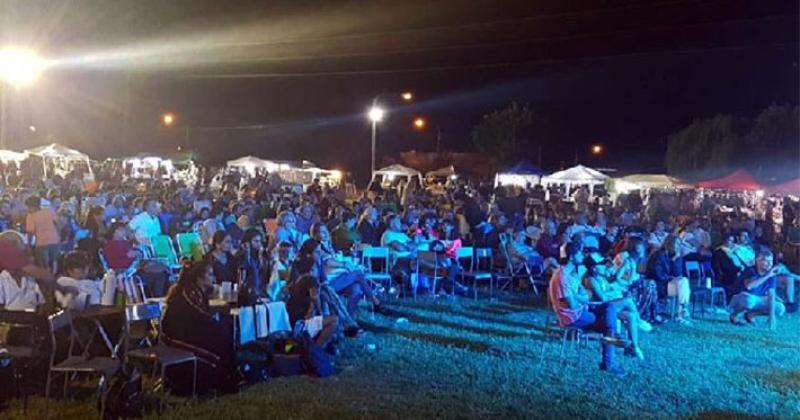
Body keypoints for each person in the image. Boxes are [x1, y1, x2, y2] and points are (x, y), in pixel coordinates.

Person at [548, 241, 625, 376]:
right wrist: (581, 298)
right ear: (572, 257)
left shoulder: (570, 273)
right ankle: (609, 363)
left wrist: (579, 296)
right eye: (579, 253)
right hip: (572, 317)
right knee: (609, 326)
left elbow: (584, 294)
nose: (582, 256)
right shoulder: (562, 277)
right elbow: (572, 304)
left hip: (581, 311)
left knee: (609, 306)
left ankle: (615, 342)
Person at [161, 260, 239, 395]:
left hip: (189, 332)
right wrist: (218, 328)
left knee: (223, 335)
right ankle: (223, 381)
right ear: (199, 277)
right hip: (175, 337)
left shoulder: (198, 292)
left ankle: (229, 378)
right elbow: (200, 317)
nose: (213, 278)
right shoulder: (188, 293)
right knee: (220, 338)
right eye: (209, 274)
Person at [583, 253, 644, 360]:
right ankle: (640, 322)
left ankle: (633, 348)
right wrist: (613, 294)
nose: (605, 265)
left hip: (607, 307)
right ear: (594, 267)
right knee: (628, 301)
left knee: (630, 316)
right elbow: (602, 297)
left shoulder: (600, 277)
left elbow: (612, 284)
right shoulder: (590, 280)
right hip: (599, 309)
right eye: (601, 264)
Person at [729, 248, 786, 330]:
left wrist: (771, 316)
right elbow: (749, 286)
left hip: (757, 299)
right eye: (766, 261)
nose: (769, 264)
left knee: (780, 308)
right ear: (757, 261)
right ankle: (733, 315)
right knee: (749, 300)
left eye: (771, 261)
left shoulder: (771, 274)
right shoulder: (750, 270)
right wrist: (767, 276)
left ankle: (751, 314)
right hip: (739, 298)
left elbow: (771, 294)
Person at [646, 235, 692, 325]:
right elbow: (658, 274)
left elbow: (678, 274)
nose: (679, 246)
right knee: (681, 283)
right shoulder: (658, 255)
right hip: (657, 284)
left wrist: (676, 260)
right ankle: (681, 312)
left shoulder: (676, 256)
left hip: (671, 284)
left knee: (683, 281)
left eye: (680, 244)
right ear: (669, 244)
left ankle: (680, 312)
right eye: (677, 244)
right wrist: (671, 278)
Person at [25, 196, 61, 273]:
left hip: (42, 243)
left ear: (33, 206)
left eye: (28, 207)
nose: (28, 209)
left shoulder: (31, 216)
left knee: (45, 267)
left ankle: (46, 283)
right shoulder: (48, 211)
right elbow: (57, 223)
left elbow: (30, 233)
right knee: (55, 265)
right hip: (55, 240)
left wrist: (28, 246)